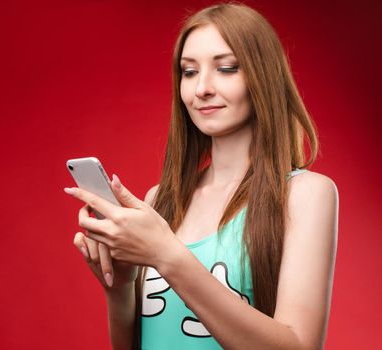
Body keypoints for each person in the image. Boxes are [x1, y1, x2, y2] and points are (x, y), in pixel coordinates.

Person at [64, 2, 338, 349]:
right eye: (189, 72)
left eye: (225, 68)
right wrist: (118, 289)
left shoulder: (306, 194)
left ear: (263, 76)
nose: (201, 88)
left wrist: (167, 254)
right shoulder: (158, 200)